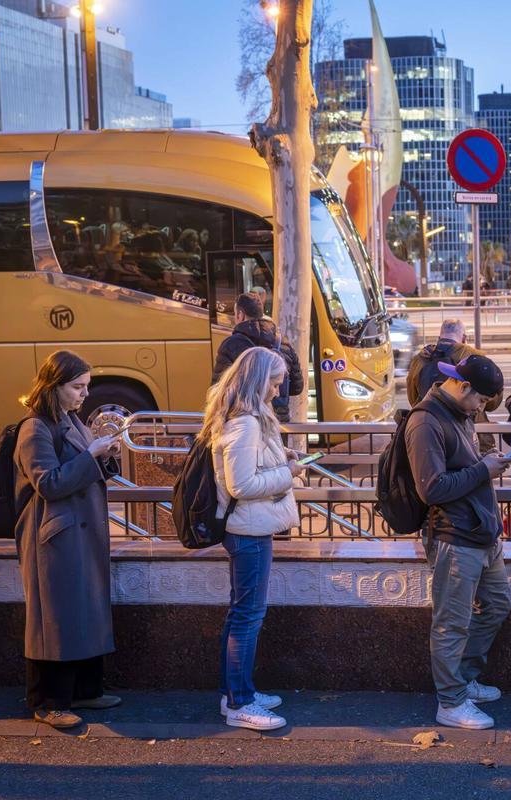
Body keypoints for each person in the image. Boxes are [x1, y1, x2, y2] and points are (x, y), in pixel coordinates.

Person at [14, 351, 122, 730]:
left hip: (77, 530)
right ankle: (48, 701)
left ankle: (85, 690)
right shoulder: (35, 427)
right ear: (54, 386)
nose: (84, 394)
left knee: (83, 610)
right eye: (77, 387)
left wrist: (106, 456)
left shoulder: (70, 419)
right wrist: (91, 455)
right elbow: (48, 482)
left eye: (86, 386)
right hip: (53, 535)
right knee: (54, 618)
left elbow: (85, 468)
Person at [405, 354, 511, 731]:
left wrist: (484, 462)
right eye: (481, 401)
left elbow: (460, 468)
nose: (480, 409)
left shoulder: (459, 414)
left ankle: (463, 680)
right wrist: (483, 469)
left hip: (481, 532)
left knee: (497, 605)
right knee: (452, 622)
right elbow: (431, 488)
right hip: (454, 535)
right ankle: (450, 701)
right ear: (463, 386)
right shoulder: (426, 421)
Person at [202, 347, 307, 731]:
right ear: (258, 380)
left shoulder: (241, 417)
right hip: (248, 529)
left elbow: (249, 466)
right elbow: (241, 483)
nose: (278, 392)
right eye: (275, 383)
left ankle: (235, 692)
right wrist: (288, 474)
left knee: (241, 614)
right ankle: (240, 702)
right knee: (248, 616)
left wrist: (283, 457)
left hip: (249, 527)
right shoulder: (244, 423)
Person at [408, 321, 501, 454]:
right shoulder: (472, 356)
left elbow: (413, 399)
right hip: (472, 435)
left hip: (431, 431)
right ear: (464, 338)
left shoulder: (420, 359)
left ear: (439, 338)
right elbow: (492, 402)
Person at [212, 293, 304, 424]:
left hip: (243, 421)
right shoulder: (283, 343)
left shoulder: (230, 345)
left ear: (240, 315)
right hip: (277, 423)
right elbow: (296, 387)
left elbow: (218, 387)